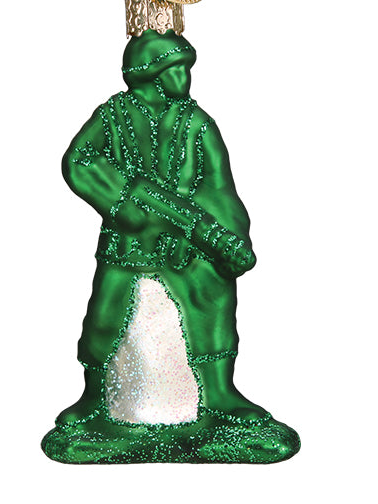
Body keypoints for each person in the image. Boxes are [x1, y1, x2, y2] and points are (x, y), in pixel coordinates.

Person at [42, 29, 300, 464]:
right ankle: (97, 397)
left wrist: (220, 233)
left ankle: (217, 392)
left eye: (185, 68)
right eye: (174, 69)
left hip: (187, 245)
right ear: (150, 76)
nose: (184, 77)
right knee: (105, 312)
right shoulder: (113, 116)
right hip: (128, 245)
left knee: (213, 297)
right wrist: (127, 202)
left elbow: (219, 186)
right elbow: (78, 161)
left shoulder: (197, 123)